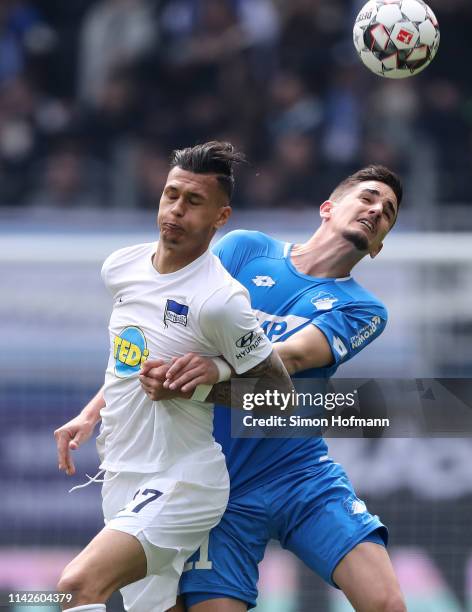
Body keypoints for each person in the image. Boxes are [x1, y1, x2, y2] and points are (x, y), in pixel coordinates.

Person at [140, 165, 407, 612]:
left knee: (387, 605)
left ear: (378, 247)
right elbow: (170, 330)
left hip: (300, 477)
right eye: (368, 197)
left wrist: (218, 369)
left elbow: (297, 355)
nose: (377, 209)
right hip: (217, 488)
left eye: (388, 212)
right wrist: (96, 408)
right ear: (328, 208)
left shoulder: (365, 308)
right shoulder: (247, 249)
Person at [53, 141, 293, 612]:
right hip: (122, 475)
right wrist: (90, 412)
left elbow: (278, 395)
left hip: (183, 480)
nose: (176, 211)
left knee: (75, 588)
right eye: (171, 195)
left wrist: (199, 385)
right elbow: (130, 359)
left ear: (221, 218)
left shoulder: (220, 300)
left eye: (194, 202)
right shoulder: (121, 267)